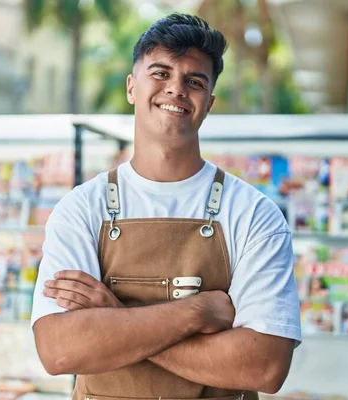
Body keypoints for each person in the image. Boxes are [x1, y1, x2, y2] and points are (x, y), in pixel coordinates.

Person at [31, 13, 302, 400]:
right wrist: (200, 312)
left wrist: (113, 318)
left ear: (208, 103)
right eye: (160, 73)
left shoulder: (254, 214)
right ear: (131, 87)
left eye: (194, 81)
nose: (176, 89)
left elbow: (264, 365)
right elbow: (59, 350)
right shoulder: (81, 209)